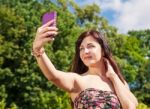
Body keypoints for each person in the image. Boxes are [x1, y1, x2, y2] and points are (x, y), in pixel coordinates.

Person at [32, 20, 138, 109]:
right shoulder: (78, 80)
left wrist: (113, 77)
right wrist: (38, 49)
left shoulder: (120, 82)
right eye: (81, 48)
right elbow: (53, 75)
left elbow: (130, 106)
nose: (85, 51)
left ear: (103, 50)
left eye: (90, 46)